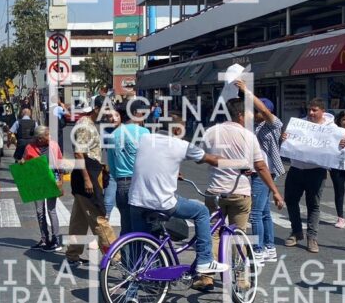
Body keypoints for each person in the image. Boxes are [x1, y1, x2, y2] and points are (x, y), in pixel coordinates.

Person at [195, 97, 284, 289]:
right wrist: (275, 191)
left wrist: (223, 163)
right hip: (240, 192)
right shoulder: (248, 136)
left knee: (213, 233)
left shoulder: (210, 132)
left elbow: (201, 158)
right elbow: (260, 166)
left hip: (215, 191)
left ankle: (206, 276)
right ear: (241, 114)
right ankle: (241, 278)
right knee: (239, 235)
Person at [129, 111, 228, 274]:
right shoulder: (182, 146)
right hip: (162, 203)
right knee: (202, 212)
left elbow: (155, 160)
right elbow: (213, 160)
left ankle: (133, 291)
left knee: (142, 247)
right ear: (176, 131)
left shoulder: (144, 139)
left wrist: (172, 172)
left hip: (136, 202)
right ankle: (205, 260)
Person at [64, 103, 116, 266]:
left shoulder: (88, 123)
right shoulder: (86, 125)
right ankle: (115, 257)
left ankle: (72, 254)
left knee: (79, 218)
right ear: (96, 109)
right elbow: (79, 152)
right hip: (87, 174)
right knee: (98, 216)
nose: (108, 114)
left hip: (88, 171)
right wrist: (87, 179)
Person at [238, 85, 285, 263]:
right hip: (257, 171)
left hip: (265, 172)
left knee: (255, 213)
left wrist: (247, 91)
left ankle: (258, 250)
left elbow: (264, 109)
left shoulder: (274, 124)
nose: (253, 114)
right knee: (264, 212)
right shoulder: (255, 127)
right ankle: (269, 247)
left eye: (256, 111)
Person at [281, 97, 333, 251]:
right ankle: (296, 232)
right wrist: (284, 138)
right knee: (290, 201)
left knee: (313, 204)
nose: (311, 112)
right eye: (309, 109)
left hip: (316, 171)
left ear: (322, 111)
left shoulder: (331, 128)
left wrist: (342, 144)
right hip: (296, 169)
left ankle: (312, 237)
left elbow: (337, 149)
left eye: (314, 110)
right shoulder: (299, 125)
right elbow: (288, 144)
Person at [105, 98, 151, 235]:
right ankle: (141, 256)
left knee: (126, 226)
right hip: (139, 183)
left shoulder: (113, 135)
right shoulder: (144, 133)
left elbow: (112, 167)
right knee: (142, 226)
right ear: (136, 113)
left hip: (121, 184)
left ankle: (126, 256)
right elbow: (149, 162)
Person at [21, 125, 64, 251]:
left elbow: (60, 163)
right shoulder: (30, 147)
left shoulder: (54, 146)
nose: (49, 136)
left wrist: (61, 182)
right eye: (46, 135)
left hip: (51, 180)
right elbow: (24, 161)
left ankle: (55, 239)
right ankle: (44, 239)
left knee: (51, 210)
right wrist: (23, 162)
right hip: (37, 182)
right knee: (40, 211)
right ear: (39, 138)